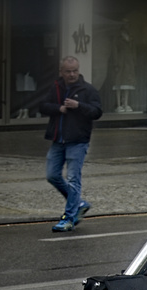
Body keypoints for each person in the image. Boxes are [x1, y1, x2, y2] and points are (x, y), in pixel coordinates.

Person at [39, 55, 101, 232]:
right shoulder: (56, 88)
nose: (72, 74)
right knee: (52, 175)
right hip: (58, 140)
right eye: (68, 71)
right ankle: (79, 203)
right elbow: (42, 106)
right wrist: (59, 108)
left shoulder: (87, 90)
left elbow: (97, 112)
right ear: (61, 72)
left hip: (78, 141)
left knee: (74, 179)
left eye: (75, 71)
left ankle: (69, 217)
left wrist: (78, 105)